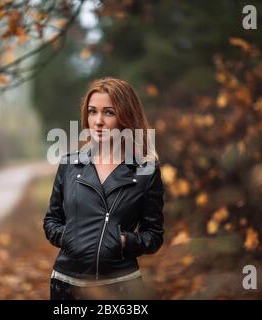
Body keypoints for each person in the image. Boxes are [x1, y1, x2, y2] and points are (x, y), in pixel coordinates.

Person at [43, 77, 164, 300]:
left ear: (126, 116)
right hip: (67, 285)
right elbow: (51, 221)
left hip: (121, 286)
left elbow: (153, 235)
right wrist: (69, 236)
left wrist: (123, 241)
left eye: (109, 112)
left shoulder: (146, 170)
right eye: (92, 111)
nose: (98, 121)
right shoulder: (70, 165)